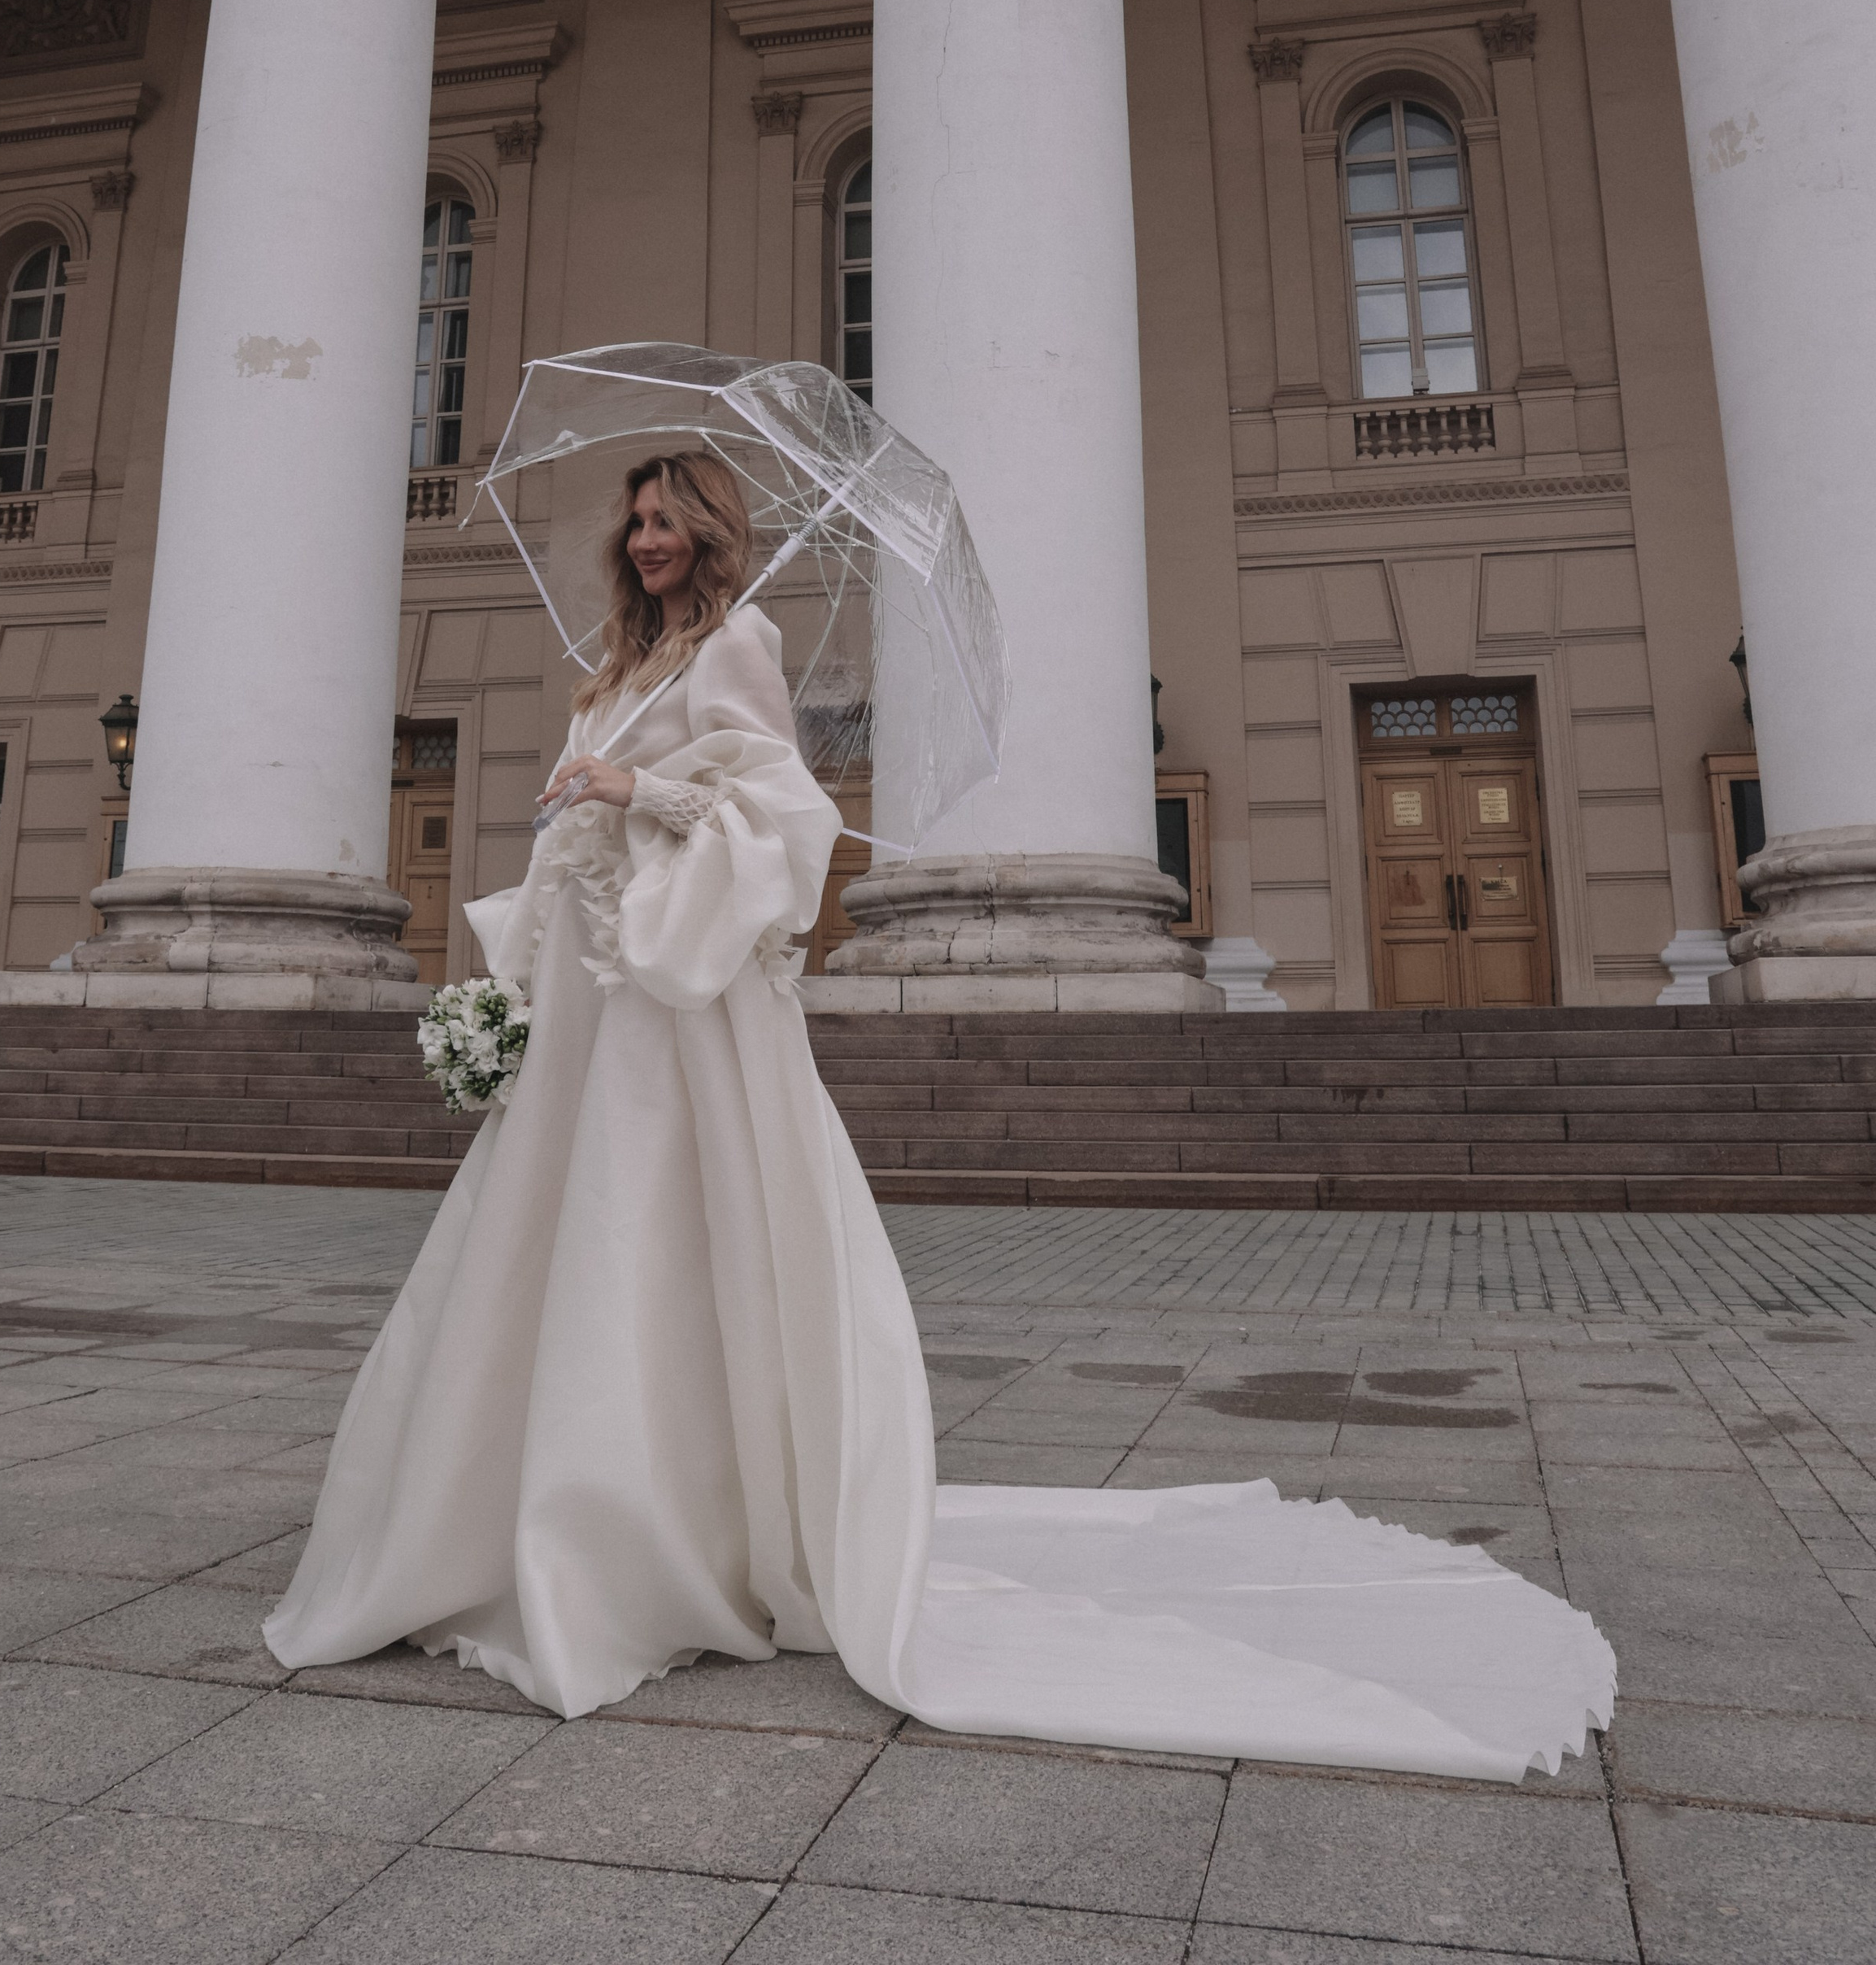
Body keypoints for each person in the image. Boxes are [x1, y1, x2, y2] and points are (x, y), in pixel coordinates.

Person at [265, 452, 1615, 1778]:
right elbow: (601, 824)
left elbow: (786, 818)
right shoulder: (619, 668)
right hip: (589, 998)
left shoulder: (737, 645)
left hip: (673, 1011)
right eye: (636, 521)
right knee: (550, 1239)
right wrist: (560, 856)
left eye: (668, 519)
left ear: (713, 531)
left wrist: (641, 788)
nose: (647, 539)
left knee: (656, 1234)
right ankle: (511, 1510)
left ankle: (652, 1531)